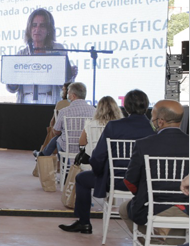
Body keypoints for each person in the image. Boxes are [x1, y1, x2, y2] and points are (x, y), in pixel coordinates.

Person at [60, 89, 154, 234]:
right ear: (147, 105)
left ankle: (84, 223)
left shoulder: (115, 126)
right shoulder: (153, 129)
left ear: (126, 106)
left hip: (115, 180)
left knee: (81, 179)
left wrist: (99, 173)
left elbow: (98, 157)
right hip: (144, 183)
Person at [120, 100, 189, 226]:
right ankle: (171, 242)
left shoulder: (143, 144)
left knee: (124, 209)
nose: (151, 120)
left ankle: (154, 245)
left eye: (152, 117)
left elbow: (130, 182)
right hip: (187, 207)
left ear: (160, 121)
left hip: (154, 207)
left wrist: (143, 193)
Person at [5, 8, 78, 104]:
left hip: (50, 101)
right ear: (29, 29)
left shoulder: (58, 50)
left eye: (42, 26)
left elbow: (67, 86)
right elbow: (11, 89)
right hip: (25, 102)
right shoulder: (21, 54)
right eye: (34, 25)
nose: (37, 29)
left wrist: (70, 75)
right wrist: (11, 78)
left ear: (48, 29)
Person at [36, 82, 95, 157]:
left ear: (73, 96)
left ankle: (44, 155)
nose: (68, 96)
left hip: (67, 148)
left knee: (58, 138)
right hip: (87, 148)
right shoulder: (94, 111)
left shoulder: (64, 111)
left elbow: (56, 131)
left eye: (69, 93)